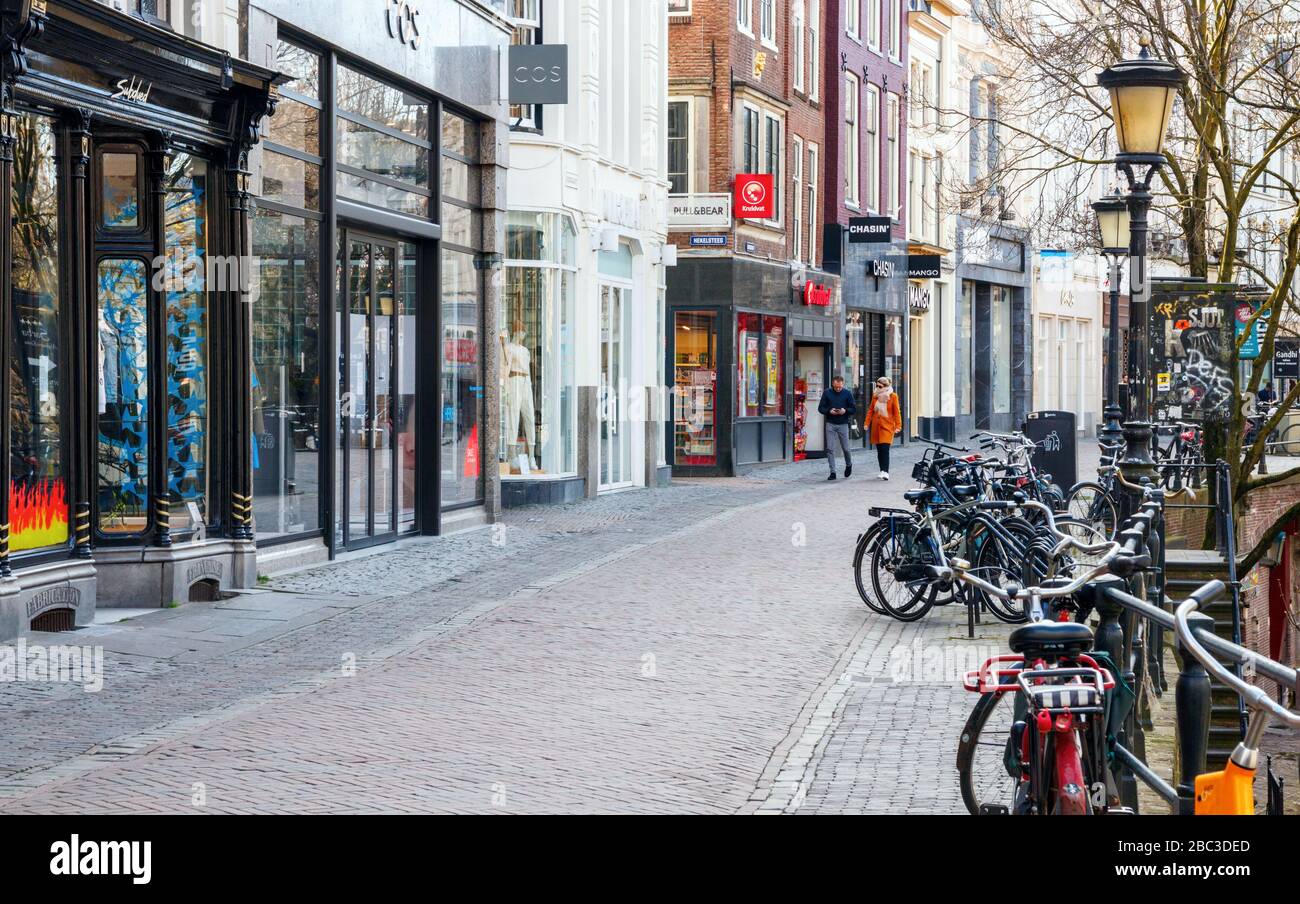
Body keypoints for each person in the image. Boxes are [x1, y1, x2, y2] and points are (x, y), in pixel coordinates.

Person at [818, 374, 857, 480]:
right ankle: (833, 472)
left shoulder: (847, 393)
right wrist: (829, 411)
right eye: (836, 387)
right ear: (833, 384)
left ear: (843, 384)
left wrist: (845, 411)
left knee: (846, 448)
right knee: (830, 449)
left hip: (843, 424)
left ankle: (849, 464)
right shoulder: (827, 393)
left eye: (840, 387)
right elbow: (820, 408)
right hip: (830, 423)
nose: (838, 389)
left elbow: (853, 408)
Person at [863, 375, 901, 480]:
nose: (878, 388)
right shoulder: (875, 396)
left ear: (885, 386)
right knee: (879, 450)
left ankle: (886, 472)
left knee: (885, 449)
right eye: (877, 386)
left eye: (880, 386)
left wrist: (898, 426)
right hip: (876, 427)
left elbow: (896, 412)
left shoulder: (893, 396)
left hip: (888, 426)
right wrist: (867, 423)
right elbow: (871, 410)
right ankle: (882, 470)